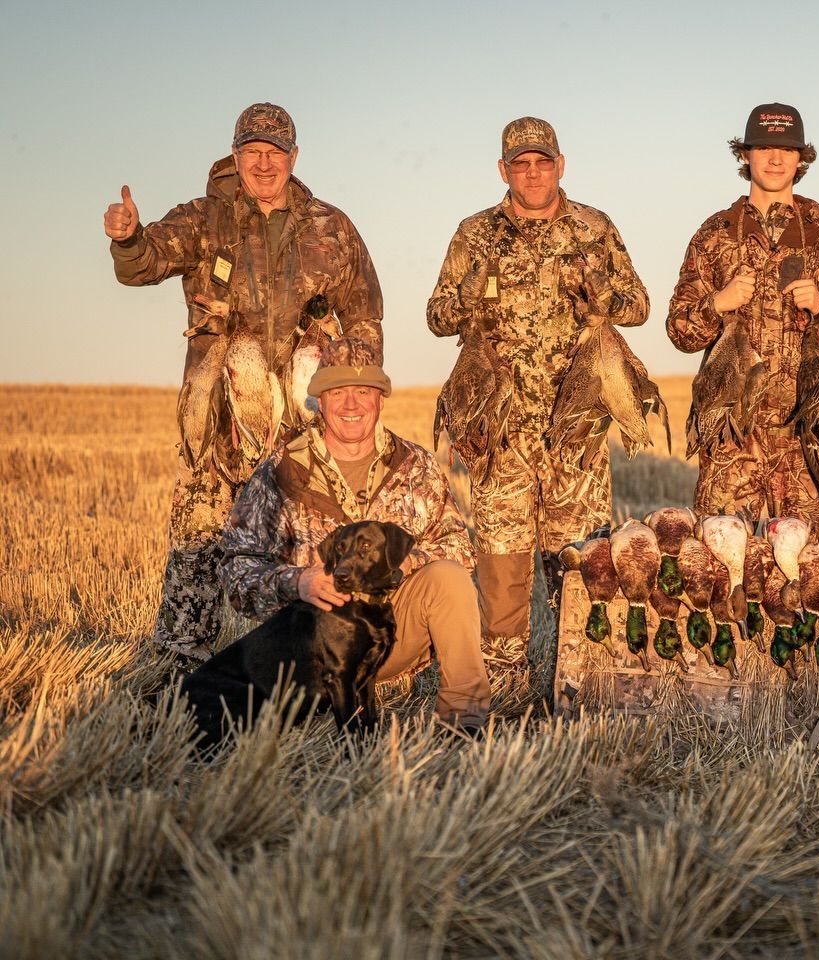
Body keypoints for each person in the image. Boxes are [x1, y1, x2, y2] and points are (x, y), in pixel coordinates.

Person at [102, 102, 383, 665]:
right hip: (220, 418)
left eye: (274, 152)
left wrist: (354, 393)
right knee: (200, 540)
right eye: (252, 151)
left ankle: (305, 666)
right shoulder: (206, 217)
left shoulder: (332, 227)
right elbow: (143, 265)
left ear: (293, 157)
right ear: (236, 155)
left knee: (302, 543)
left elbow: (366, 318)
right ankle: (177, 666)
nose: (263, 162)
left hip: (300, 421)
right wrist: (129, 238)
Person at [426, 117, 649, 698]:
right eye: (520, 164)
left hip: (575, 428)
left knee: (579, 565)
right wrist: (469, 293)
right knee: (502, 566)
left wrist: (603, 293)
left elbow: (639, 305)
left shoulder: (593, 229)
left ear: (560, 165)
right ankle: (502, 693)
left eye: (542, 162)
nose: (532, 173)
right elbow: (437, 317)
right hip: (499, 432)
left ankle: (581, 686)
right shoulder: (474, 234)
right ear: (503, 170)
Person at [220, 338, 490, 732]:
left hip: (388, 633)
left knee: (448, 576)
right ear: (320, 401)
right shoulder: (281, 471)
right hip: (312, 648)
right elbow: (236, 569)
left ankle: (465, 721)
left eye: (363, 392)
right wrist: (297, 582)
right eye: (338, 393)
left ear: (380, 399)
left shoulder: (415, 465)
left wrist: (396, 566)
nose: (351, 405)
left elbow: (459, 549)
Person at [666, 103, 819, 544]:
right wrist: (717, 303)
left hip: (810, 437)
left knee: (814, 573)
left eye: (786, 149)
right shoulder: (715, 233)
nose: (775, 159)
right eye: (763, 149)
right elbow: (679, 330)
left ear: (802, 159)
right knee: (722, 572)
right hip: (731, 436)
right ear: (745, 155)